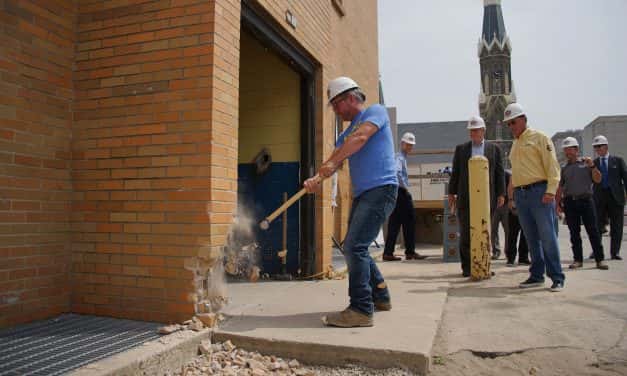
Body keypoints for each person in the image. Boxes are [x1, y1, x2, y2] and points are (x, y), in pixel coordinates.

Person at [304, 76, 397, 328]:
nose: (334, 110)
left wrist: (332, 162)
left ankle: (361, 309)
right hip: (365, 194)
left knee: (354, 246)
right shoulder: (346, 132)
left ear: (351, 98)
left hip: (381, 189)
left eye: (336, 104)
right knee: (357, 246)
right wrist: (316, 179)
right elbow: (334, 160)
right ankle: (380, 296)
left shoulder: (375, 112)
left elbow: (361, 139)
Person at [504, 103, 565, 291]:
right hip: (521, 196)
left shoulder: (540, 138)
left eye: (513, 122)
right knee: (531, 238)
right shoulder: (515, 145)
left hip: (539, 192)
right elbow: (515, 173)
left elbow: (553, 167)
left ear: (523, 119)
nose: (511, 127)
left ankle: (557, 277)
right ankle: (537, 275)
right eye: (508, 124)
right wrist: (512, 197)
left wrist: (550, 191)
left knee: (548, 236)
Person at [448, 116, 505, 277]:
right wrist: (451, 193)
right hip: (466, 198)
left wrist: (501, 193)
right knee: (466, 233)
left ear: (483, 131)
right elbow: (456, 173)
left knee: (486, 232)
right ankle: (467, 268)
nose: (474, 133)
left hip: (488, 198)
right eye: (471, 130)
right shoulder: (461, 149)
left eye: (476, 130)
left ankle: (484, 265)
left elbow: (499, 173)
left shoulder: (494, 149)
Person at [555, 137, 608, 270]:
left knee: (593, 231)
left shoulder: (587, 164)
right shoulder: (564, 168)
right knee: (574, 233)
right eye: (565, 150)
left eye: (570, 149)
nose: (567, 152)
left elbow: (598, 179)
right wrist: (557, 203)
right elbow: (560, 187)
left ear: (577, 150)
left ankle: (599, 259)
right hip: (570, 202)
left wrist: (593, 166)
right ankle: (577, 259)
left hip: (586, 201)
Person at [383, 132, 427, 261]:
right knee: (409, 220)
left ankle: (388, 253)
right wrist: (404, 187)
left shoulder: (401, 157)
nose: (409, 147)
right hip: (401, 192)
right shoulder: (400, 157)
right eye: (407, 144)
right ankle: (410, 251)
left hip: (396, 192)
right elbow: (396, 172)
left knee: (395, 222)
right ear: (402, 144)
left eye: (411, 145)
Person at [591, 135, 627, 261]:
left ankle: (615, 252)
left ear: (606, 146)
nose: (597, 149)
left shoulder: (618, 161)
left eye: (599, 146)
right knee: (597, 225)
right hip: (599, 198)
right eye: (595, 147)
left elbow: (625, 179)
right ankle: (596, 251)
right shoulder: (593, 164)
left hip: (616, 197)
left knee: (617, 226)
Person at [504, 169, 530, 266]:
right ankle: (511, 258)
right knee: (513, 233)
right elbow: (511, 186)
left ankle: (523, 258)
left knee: (526, 233)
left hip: (528, 205)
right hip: (516, 205)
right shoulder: (516, 170)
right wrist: (511, 200)